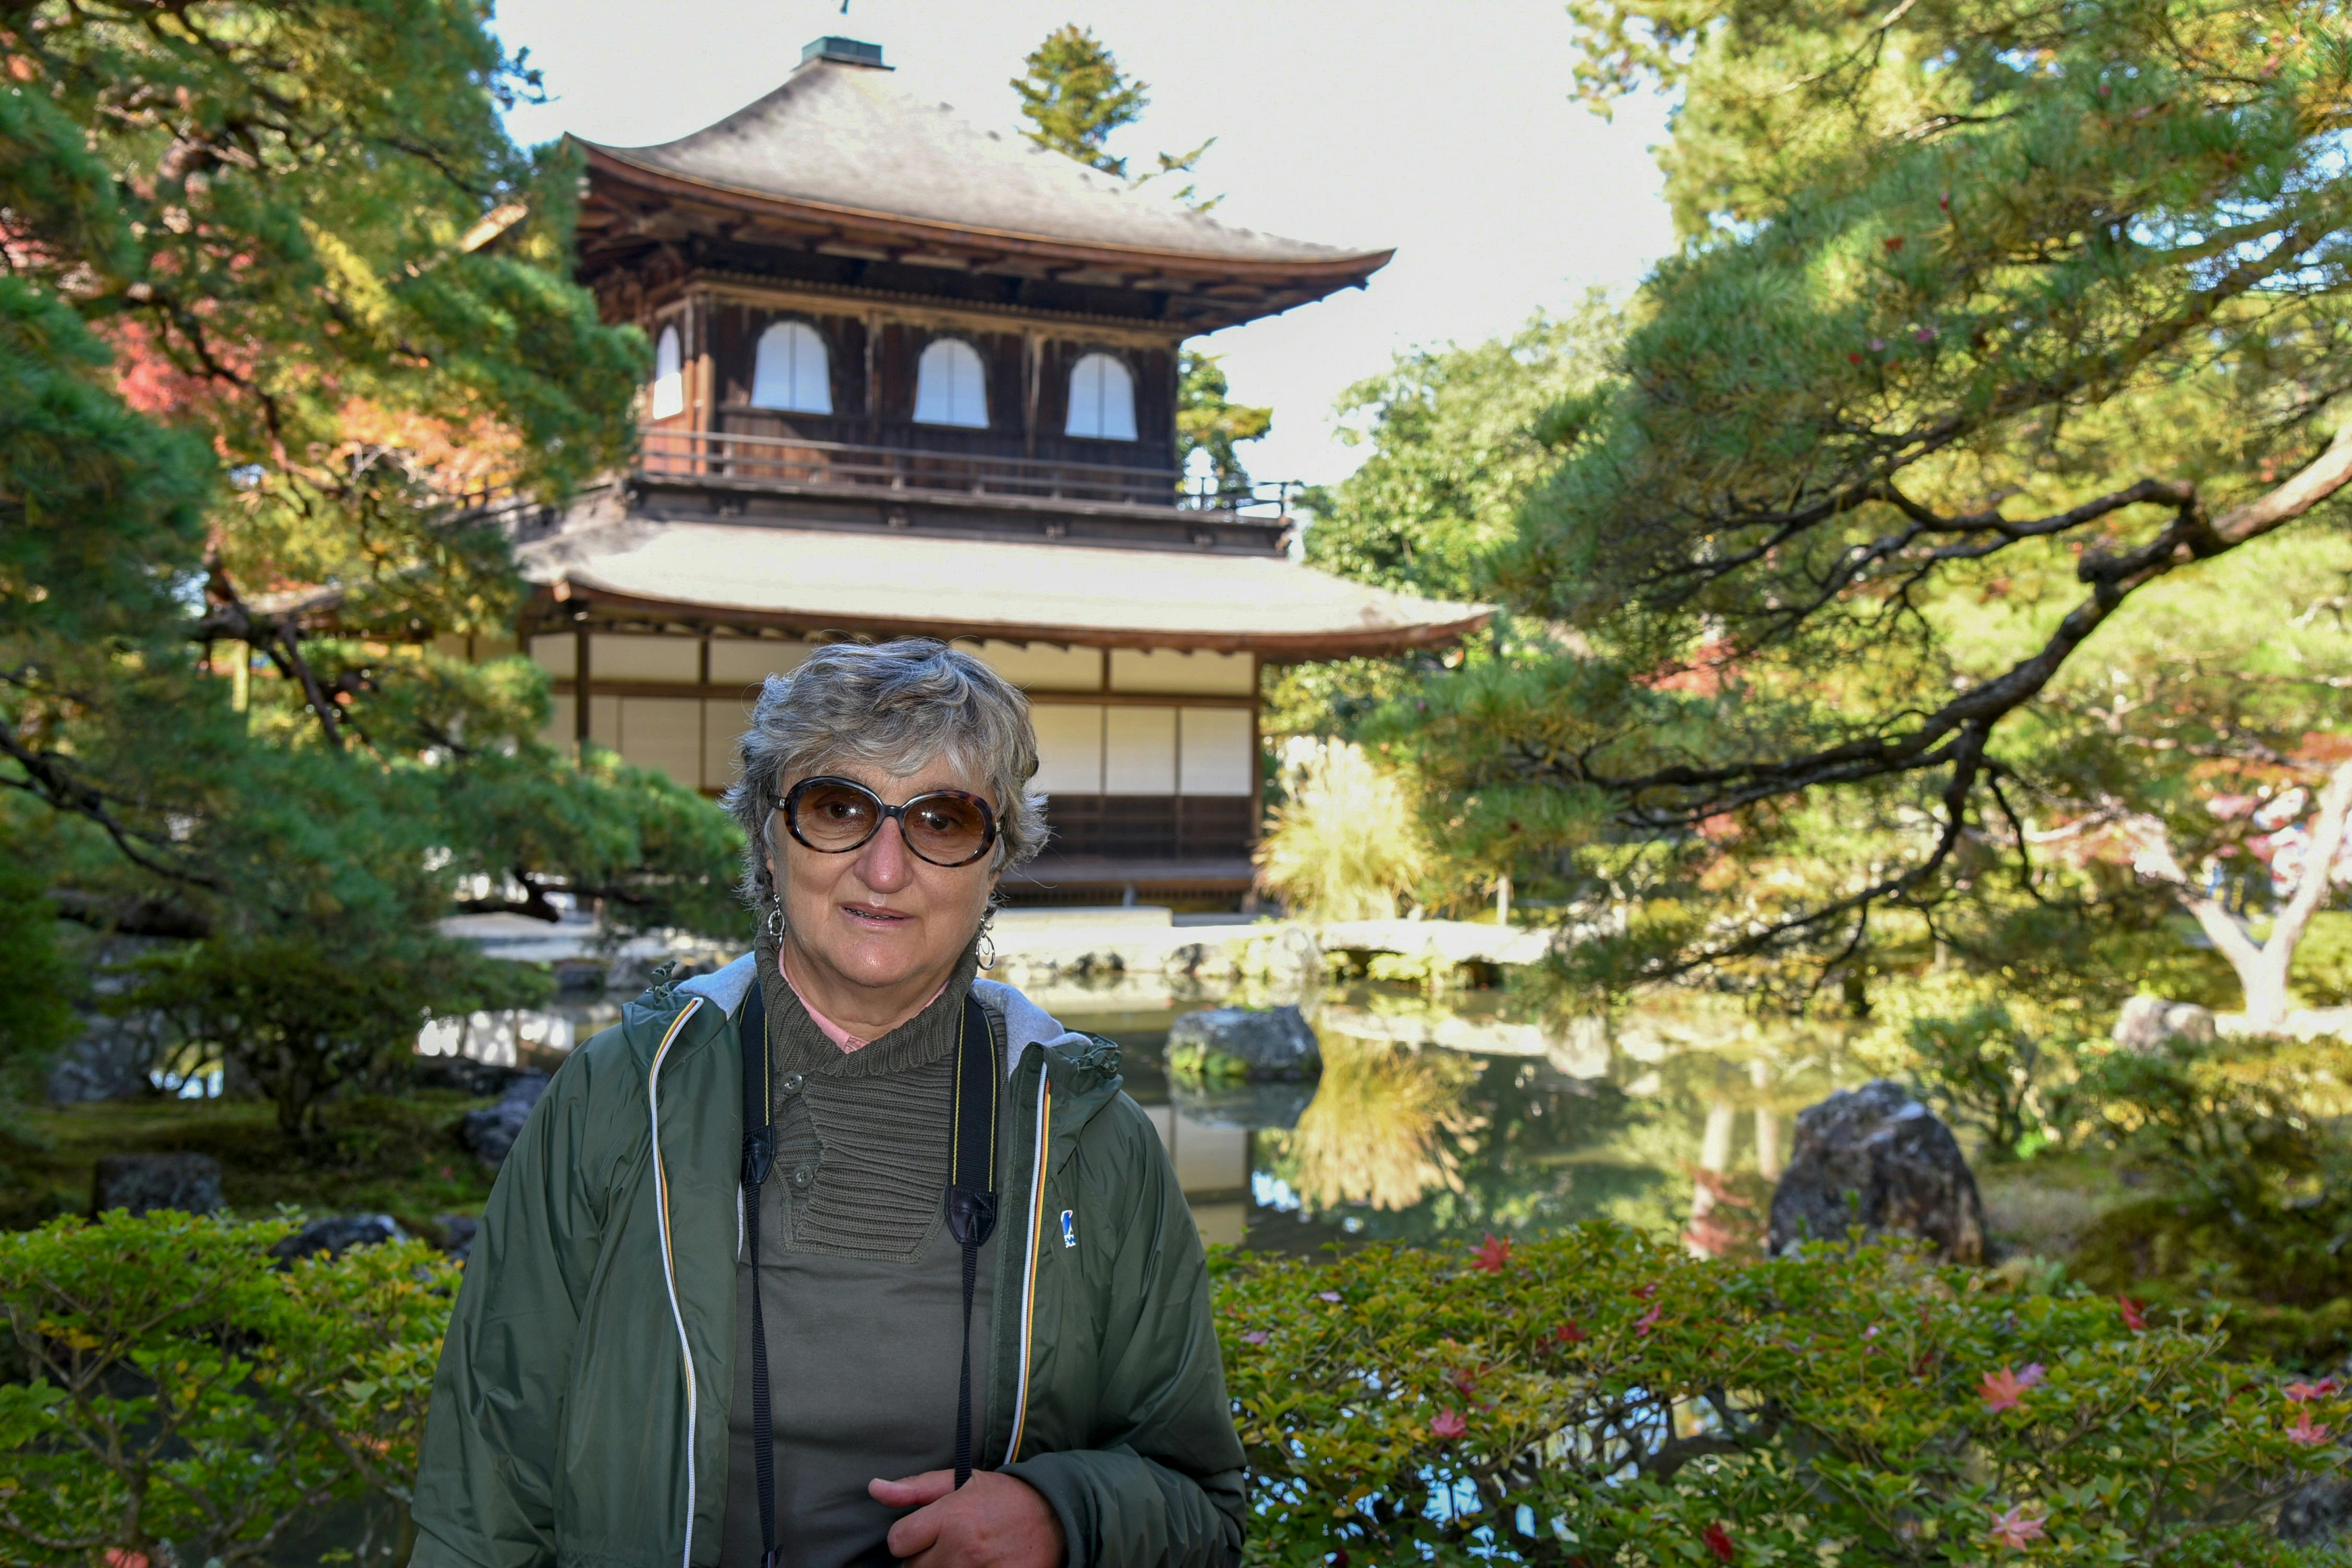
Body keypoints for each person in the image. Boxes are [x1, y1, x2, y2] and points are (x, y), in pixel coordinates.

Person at [412, 639, 1245, 1568]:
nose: (885, 869)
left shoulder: (1089, 1140)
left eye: (941, 819)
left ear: (995, 860)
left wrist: (1065, 1516)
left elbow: (1202, 1506)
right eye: (838, 808)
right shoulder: (620, 1102)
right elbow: (486, 1498)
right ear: (768, 837)